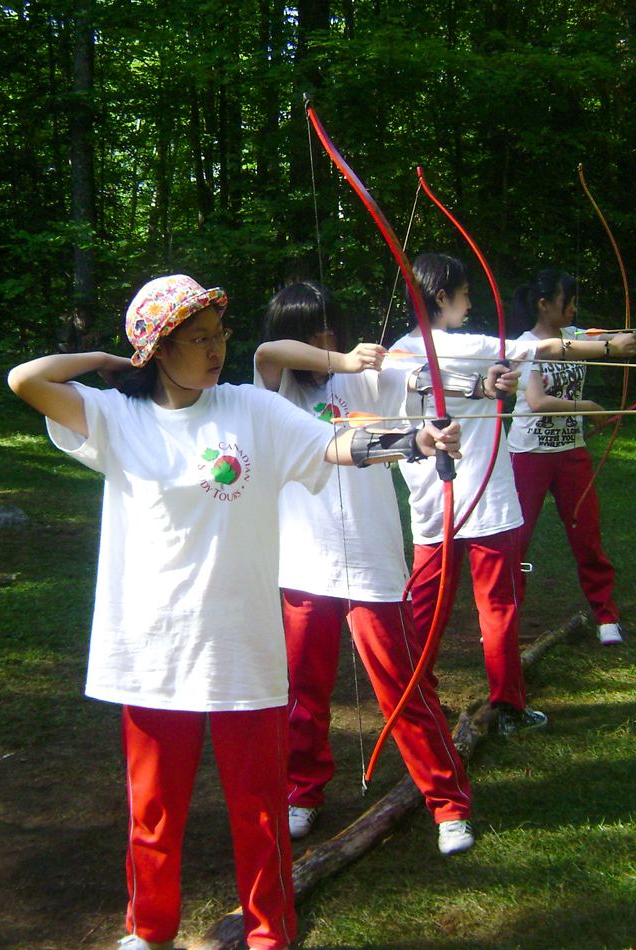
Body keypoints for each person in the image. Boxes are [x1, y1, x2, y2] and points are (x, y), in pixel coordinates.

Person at [6, 274, 461, 950]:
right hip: (150, 649)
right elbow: (27, 379)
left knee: (258, 810)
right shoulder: (116, 417)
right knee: (154, 810)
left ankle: (270, 933)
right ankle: (149, 928)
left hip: (241, 646)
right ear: (158, 349)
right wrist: (108, 362)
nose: (216, 349)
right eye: (198, 339)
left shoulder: (250, 409)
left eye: (219, 335)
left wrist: (413, 442)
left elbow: (332, 444)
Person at [255, 280, 483, 856]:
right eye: (312, 332)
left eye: (331, 327)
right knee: (304, 693)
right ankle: (302, 793)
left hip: (372, 561)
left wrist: (472, 396)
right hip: (303, 565)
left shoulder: (369, 375)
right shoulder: (273, 391)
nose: (325, 338)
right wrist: (337, 357)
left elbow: (425, 382)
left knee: (402, 689)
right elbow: (267, 355)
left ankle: (448, 804)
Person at [391, 253, 636, 736]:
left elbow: (486, 376)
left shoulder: (396, 353)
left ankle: (413, 702)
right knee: (498, 606)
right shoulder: (472, 345)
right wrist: (612, 346)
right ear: (442, 297)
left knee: (425, 611)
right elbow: (542, 350)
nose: (469, 303)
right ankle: (508, 708)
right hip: (484, 504)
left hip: (433, 508)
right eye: (464, 294)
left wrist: (490, 384)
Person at [508, 267, 636, 644]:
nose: (573, 309)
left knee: (587, 537)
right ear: (543, 305)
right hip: (529, 455)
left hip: (572, 453)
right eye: (566, 302)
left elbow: (629, 339)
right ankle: (503, 622)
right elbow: (536, 402)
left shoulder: (576, 338)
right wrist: (584, 405)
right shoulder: (524, 346)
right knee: (516, 542)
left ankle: (606, 616)